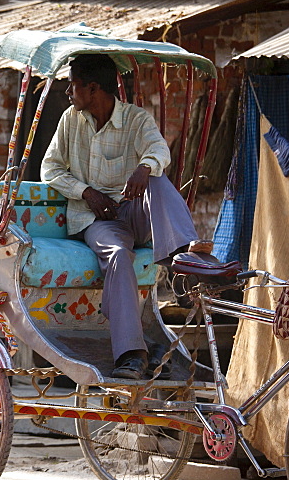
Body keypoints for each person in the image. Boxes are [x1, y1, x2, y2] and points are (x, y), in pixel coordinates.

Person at [41, 54, 200, 380]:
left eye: (73, 84)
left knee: (156, 176)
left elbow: (160, 151)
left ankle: (184, 258)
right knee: (117, 255)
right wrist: (87, 192)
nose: (68, 92)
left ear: (93, 88)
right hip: (96, 219)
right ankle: (132, 354)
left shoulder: (136, 119)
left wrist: (143, 168)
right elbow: (50, 168)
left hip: (136, 210)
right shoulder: (71, 120)